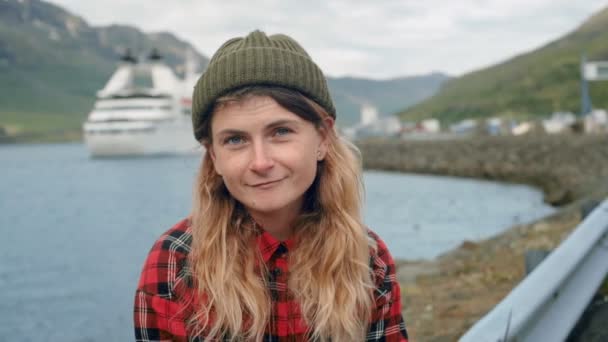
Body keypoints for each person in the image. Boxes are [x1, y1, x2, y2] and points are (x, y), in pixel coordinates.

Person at [134, 30, 409, 342]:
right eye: (235, 140)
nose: (260, 162)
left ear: (322, 138)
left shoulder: (368, 259)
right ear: (214, 156)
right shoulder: (175, 262)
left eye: (280, 132)